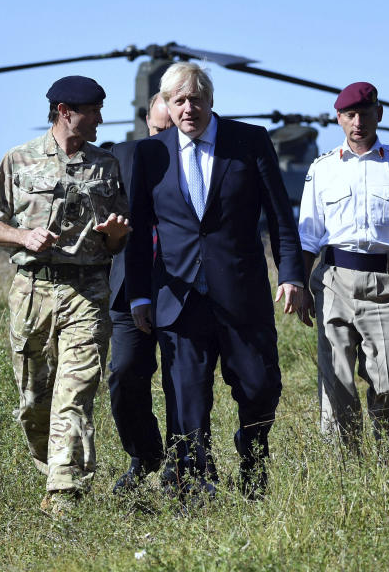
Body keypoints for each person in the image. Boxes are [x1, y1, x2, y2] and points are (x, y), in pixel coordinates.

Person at [125, 62, 310, 499]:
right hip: (178, 298)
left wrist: (291, 274)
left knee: (260, 386)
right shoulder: (151, 155)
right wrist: (137, 296)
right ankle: (193, 483)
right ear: (166, 106)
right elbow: (137, 235)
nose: (188, 108)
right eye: (178, 101)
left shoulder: (249, 142)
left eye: (195, 99)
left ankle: (253, 450)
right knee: (186, 397)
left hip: (242, 291)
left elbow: (282, 216)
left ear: (210, 100)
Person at [0, 75, 131, 516]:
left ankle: (65, 495)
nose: (100, 119)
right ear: (65, 112)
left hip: (87, 291)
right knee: (34, 402)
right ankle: (53, 472)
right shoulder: (19, 159)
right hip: (32, 292)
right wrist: (23, 236)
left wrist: (116, 237)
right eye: (93, 111)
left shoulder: (107, 165)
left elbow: (117, 241)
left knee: (76, 393)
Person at [298, 82, 389, 450]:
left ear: (379, 114)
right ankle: (347, 464)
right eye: (349, 115)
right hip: (333, 280)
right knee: (336, 380)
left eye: (365, 113)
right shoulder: (322, 169)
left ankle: (385, 444)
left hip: (386, 280)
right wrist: (300, 285)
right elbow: (308, 235)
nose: (358, 122)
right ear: (339, 119)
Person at [107, 93, 178, 493]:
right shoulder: (121, 156)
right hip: (126, 288)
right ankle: (145, 453)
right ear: (145, 123)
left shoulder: (194, 163)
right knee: (124, 375)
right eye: (156, 129)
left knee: (180, 379)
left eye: (169, 132)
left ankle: (181, 461)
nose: (161, 139)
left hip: (178, 286)